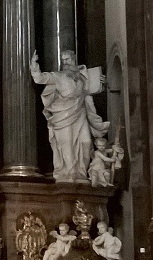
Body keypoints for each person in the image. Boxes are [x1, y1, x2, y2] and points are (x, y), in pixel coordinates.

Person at [30, 51, 107, 183]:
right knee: (67, 144)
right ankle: (70, 174)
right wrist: (34, 64)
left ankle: (81, 172)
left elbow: (91, 91)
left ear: (74, 59)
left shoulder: (83, 77)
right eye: (63, 60)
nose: (65, 63)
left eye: (68, 59)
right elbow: (40, 78)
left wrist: (102, 83)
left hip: (81, 113)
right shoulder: (58, 76)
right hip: (62, 115)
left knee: (86, 142)